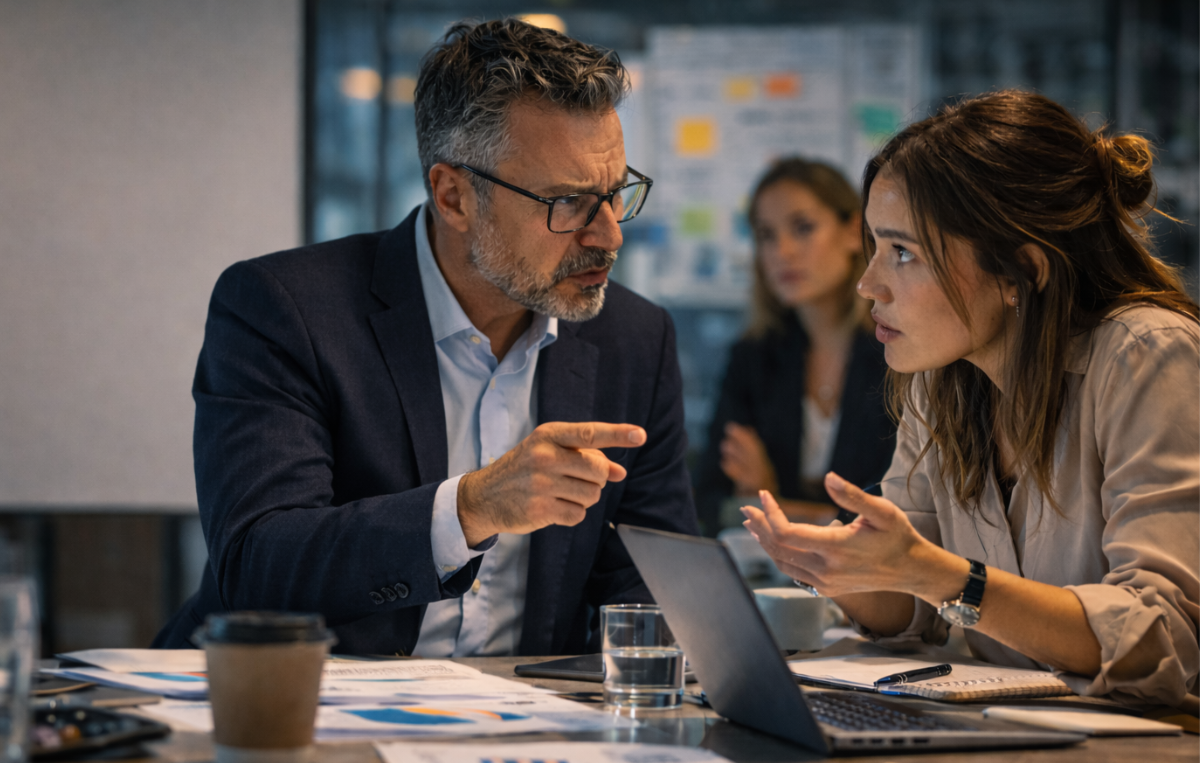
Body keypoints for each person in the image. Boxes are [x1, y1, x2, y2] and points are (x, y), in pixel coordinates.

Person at [153, 19, 699, 656]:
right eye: (569, 203)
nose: (610, 235)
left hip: (521, 710)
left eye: (616, 193)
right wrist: (469, 509)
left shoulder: (635, 338)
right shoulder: (284, 309)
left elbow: (649, 581)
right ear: (454, 197)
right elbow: (257, 566)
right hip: (301, 698)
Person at [742, 90, 1199, 709]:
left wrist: (938, 574)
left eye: (902, 253)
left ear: (1021, 271)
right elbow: (913, 609)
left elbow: (1162, 636)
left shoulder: (1149, 354)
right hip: (1012, 730)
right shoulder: (939, 378)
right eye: (874, 247)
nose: (868, 284)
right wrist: (837, 567)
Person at [695, 159, 894, 535]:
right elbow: (708, 501)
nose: (782, 251)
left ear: (854, 231)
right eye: (766, 235)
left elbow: (900, 515)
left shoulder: (898, 354)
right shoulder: (754, 358)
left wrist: (770, 498)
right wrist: (817, 515)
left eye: (803, 228)